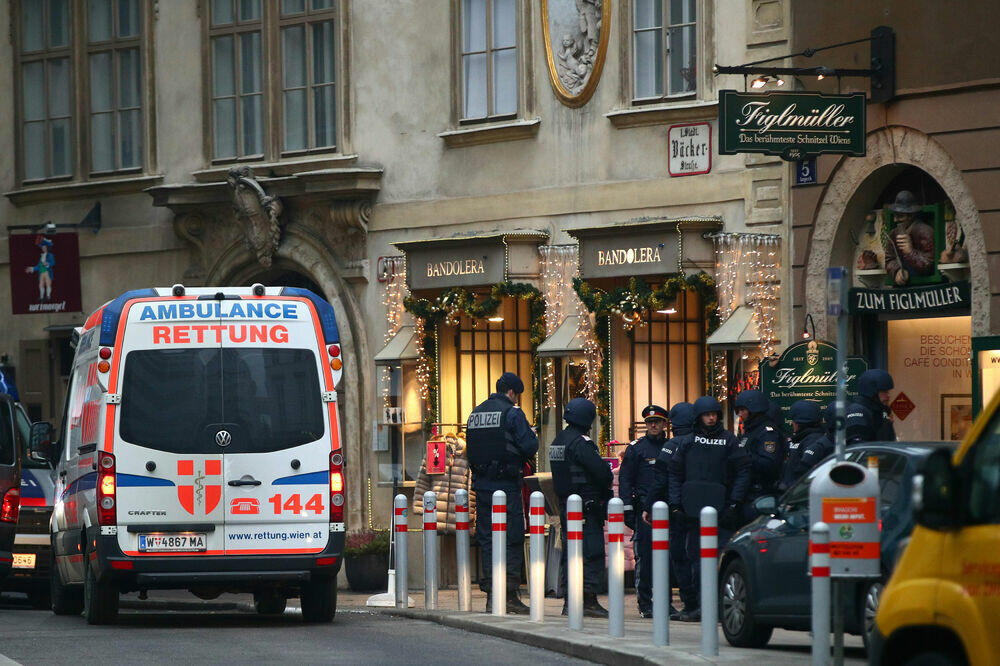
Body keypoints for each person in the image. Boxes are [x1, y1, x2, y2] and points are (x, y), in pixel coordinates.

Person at [668, 396, 750, 621]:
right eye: (707, 414)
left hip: (721, 512)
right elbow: (675, 474)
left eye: (714, 414)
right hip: (692, 512)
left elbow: (743, 472)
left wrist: (733, 503)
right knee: (695, 561)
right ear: (698, 417)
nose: (711, 417)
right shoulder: (687, 442)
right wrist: (676, 505)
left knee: (719, 561)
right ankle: (699, 607)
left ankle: (716, 608)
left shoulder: (729, 441)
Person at [466, 372, 539, 614]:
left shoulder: (476, 413)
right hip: (506, 486)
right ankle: (508, 595)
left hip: (482, 486)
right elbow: (530, 445)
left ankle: (491, 597)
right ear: (512, 392)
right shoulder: (512, 413)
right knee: (512, 537)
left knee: (487, 540)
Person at [549, 397, 613, 618]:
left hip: (568, 507)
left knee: (571, 554)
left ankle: (571, 601)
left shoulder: (558, 441)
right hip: (586, 507)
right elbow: (602, 473)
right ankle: (587, 601)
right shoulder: (581, 443)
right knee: (590, 552)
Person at [644, 402, 696, 620]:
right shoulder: (703, 442)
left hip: (677, 509)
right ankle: (704, 602)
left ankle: (691, 604)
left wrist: (648, 506)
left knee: (680, 556)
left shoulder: (671, 446)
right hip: (704, 508)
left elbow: (660, 479)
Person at [619, 404, 669, 618]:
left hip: (668, 509)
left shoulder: (670, 446)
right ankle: (645, 602)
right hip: (644, 512)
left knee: (669, 558)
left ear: (664, 423)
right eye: (650, 422)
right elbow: (625, 480)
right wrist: (627, 508)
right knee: (646, 558)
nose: (654, 425)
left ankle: (667, 602)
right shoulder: (637, 448)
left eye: (657, 421)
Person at [733, 390, 785, 522]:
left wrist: (744, 457)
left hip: (761, 494)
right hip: (749, 493)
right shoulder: (751, 431)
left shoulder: (767, 433)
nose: (740, 414)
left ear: (754, 410)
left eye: (742, 410)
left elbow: (768, 464)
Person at [883, 190, 935, 286]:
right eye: (895, 215)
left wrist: (910, 252)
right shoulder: (893, 234)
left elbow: (929, 265)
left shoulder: (925, 232)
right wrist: (897, 271)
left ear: (911, 215)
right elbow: (889, 259)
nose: (895, 220)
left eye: (900, 216)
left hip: (924, 286)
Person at [780, 401, 834, 491]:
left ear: (799, 423)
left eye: (793, 421)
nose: (791, 423)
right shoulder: (799, 439)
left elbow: (805, 471)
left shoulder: (812, 441)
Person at [845, 369, 896, 445]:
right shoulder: (858, 412)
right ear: (872, 392)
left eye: (888, 392)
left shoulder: (882, 411)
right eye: (884, 392)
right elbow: (858, 448)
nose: (888, 396)